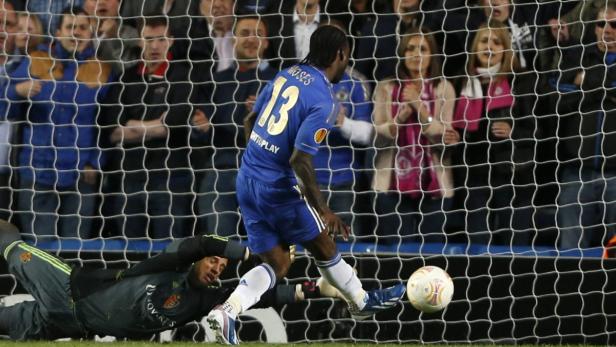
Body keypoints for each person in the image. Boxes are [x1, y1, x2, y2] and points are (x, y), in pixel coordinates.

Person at [206, 25, 406, 345]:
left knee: (277, 262)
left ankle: (226, 311)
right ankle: (361, 301)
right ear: (340, 55)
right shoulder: (323, 100)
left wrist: (259, 162)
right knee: (324, 244)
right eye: (347, 56)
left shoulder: (286, 74)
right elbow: (301, 159)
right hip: (277, 188)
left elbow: (248, 122)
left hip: (247, 178)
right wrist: (323, 209)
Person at [0, 219, 330, 340]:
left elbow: (263, 296)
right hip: (69, 287)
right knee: (11, 245)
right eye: (214, 260)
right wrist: (252, 255)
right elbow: (201, 243)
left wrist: (315, 289)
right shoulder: (171, 263)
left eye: (222, 266)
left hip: (68, 325)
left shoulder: (203, 301)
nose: (217, 267)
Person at [5, 6, 113, 239]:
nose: (76, 33)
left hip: (81, 176)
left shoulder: (102, 70)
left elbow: (107, 122)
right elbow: (4, 109)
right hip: (37, 174)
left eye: (83, 28)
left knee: (76, 254)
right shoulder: (35, 61)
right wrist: (16, 91)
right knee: (41, 255)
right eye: (70, 27)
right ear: (57, 31)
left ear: (91, 31)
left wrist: (95, 161)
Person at [100, 16, 196, 239]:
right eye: (149, 39)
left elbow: (171, 126)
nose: (155, 46)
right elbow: (113, 132)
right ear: (140, 42)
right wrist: (155, 125)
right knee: (129, 249)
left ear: (171, 41)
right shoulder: (125, 78)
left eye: (161, 39)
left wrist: (132, 125)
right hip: (130, 175)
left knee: (169, 250)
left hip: (170, 176)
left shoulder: (184, 77)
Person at [372, 27, 458, 244]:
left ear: (432, 55)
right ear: (402, 52)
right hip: (390, 184)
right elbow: (377, 134)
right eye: (410, 48)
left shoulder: (444, 88)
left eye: (422, 49)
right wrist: (401, 117)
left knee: (431, 257)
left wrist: (420, 109)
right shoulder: (385, 87)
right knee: (396, 253)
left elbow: (446, 136)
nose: (416, 54)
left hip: (434, 184)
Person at [452, 21, 534, 246]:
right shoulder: (462, 81)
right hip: (474, 174)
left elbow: (539, 129)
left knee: (515, 247)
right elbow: (456, 127)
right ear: (475, 46)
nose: (489, 46)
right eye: (484, 40)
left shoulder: (521, 80)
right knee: (478, 245)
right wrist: (453, 137)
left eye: (496, 42)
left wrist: (513, 130)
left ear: (506, 48)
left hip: (512, 175)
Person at [194, 15, 278, 237]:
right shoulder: (215, 80)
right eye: (245, 33)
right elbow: (200, 127)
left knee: (266, 248)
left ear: (267, 42)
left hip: (263, 174)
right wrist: (201, 127)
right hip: (219, 172)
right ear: (233, 40)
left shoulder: (279, 82)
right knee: (220, 245)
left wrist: (265, 118)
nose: (251, 39)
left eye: (258, 34)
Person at [551, 1, 616, 249]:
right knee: (570, 253)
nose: (607, 30)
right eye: (601, 24)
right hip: (576, 174)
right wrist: (602, 89)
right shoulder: (578, 56)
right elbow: (555, 95)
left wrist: (585, 82)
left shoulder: (582, 68)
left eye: (613, 24)